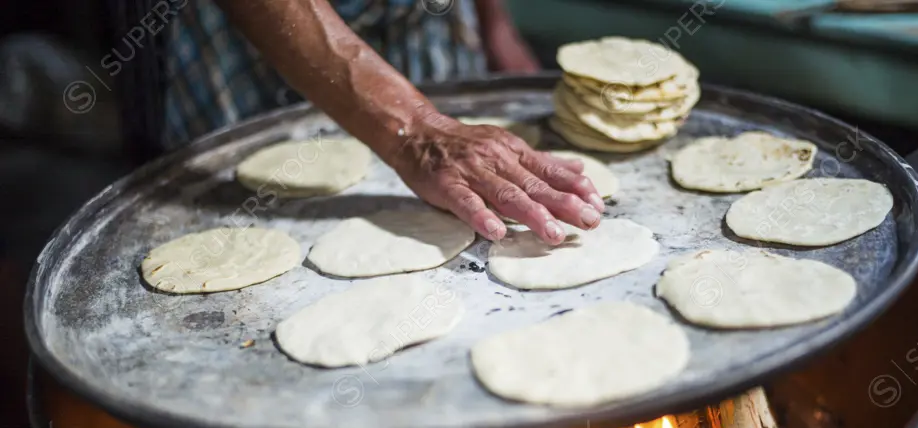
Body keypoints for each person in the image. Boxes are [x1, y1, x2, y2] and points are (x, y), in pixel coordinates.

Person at [107, 0, 605, 245]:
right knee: (242, 225)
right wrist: (416, 128)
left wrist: (494, 20)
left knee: (462, 199)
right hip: (259, 27)